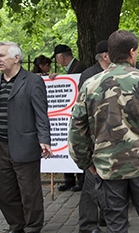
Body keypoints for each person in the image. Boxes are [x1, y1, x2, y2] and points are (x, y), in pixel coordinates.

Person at [68, 30, 139, 232]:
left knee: (115, 225)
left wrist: (86, 163)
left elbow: (76, 131)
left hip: (108, 168)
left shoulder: (90, 85)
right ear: (132, 52)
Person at [0, 41, 52, 232]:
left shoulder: (32, 81)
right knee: (3, 193)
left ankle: (32, 227)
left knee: (30, 193)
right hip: (0, 145)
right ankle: (16, 225)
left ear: (16, 58)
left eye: (2, 56)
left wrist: (44, 139)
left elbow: (41, 113)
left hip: (25, 145)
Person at [77, 40, 110, 233]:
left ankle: (106, 217)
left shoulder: (113, 72)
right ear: (105, 55)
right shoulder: (89, 75)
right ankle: (88, 225)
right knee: (91, 182)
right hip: (94, 137)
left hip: (109, 136)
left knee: (109, 182)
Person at [52, 44, 88, 192]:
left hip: (77, 113)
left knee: (77, 144)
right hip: (68, 114)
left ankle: (80, 180)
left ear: (61, 57)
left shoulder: (79, 68)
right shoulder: (72, 69)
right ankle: (70, 179)